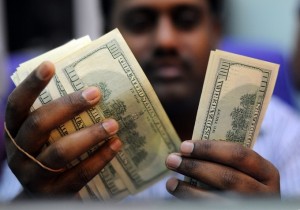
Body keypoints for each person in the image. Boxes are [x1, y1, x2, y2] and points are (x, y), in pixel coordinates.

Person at [3, 0, 300, 201]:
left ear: (216, 32)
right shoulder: (56, 142)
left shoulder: (288, 137)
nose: (166, 40)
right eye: (140, 22)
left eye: (186, 21)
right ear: (108, 35)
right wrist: (32, 200)